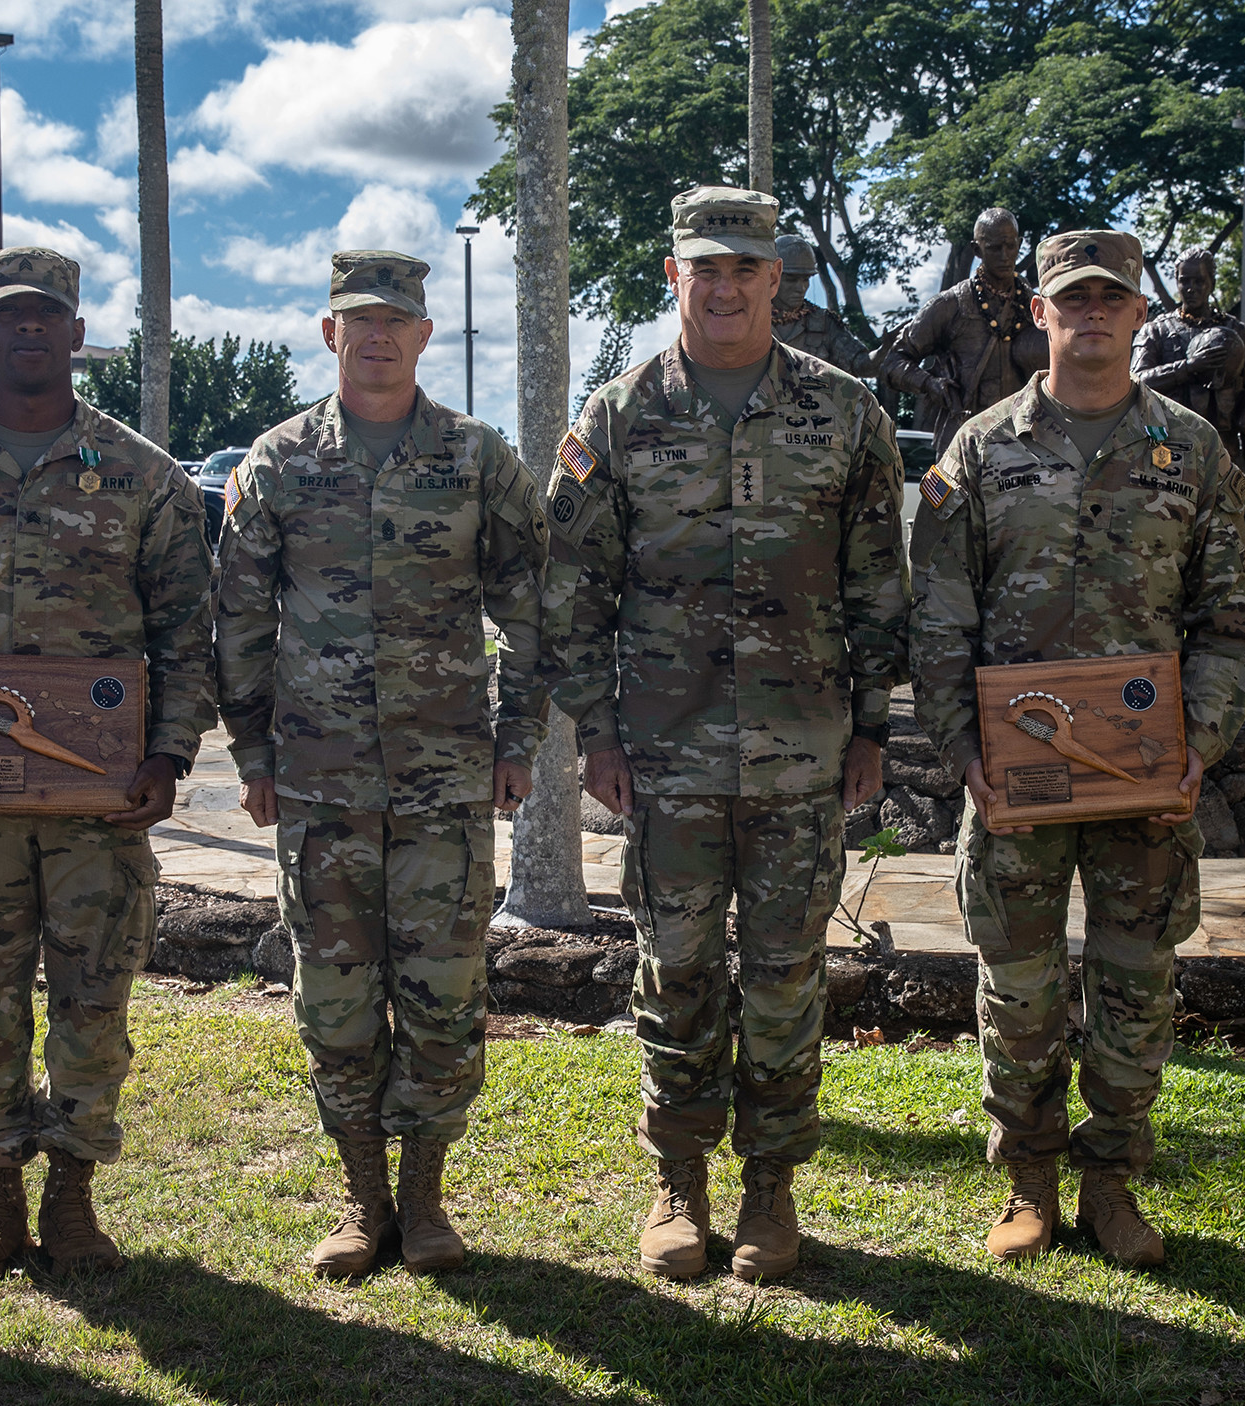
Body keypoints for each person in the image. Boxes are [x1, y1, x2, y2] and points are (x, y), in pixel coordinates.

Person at [544, 184, 907, 1282]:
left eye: (745, 267)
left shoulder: (844, 413)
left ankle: (770, 1187)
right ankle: (679, 1180)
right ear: (674, 275)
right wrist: (596, 734)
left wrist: (872, 728)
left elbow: (878, 584)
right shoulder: (616, 416)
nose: (725, 284)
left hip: (803, 751)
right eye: (705, 266)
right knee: (676, 969)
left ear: (775, 279)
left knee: (788, 974)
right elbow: (574, 593)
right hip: (665, 756)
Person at [0, 247, 215, 1282]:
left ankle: (71, 1199)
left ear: (75, 331)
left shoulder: (142, 474)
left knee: (93, 1000)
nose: (26, 330)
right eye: (7, 315)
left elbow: (185, 632)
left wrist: (167, 752)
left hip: (97, 805)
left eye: (45, 315)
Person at [909, 229, 1245, 1266]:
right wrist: (960, 746)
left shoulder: (1191, 448)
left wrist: (1202, 738)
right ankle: (1026, 1180)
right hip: (1014, 777)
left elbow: (1228, 619)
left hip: (1142, 777)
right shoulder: (977, 448)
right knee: (1017, 987)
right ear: (1040, 314)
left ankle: (1111, 1183)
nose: (1093, 313)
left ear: (1141, 313)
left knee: (1135, 986)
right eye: (1074, 299)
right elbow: (938, 616)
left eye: (1113, 297)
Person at [214, 250, 547, 1277]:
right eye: (357, 319)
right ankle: (362, 1200)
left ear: (422, 334)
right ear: (329, 333)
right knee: (336, 997)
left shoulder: (475, 458)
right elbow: (237, 617)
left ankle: (426, 1200)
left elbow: (527, 607)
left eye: (394, 320)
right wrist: (254, 748)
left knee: (444, 993)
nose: (375, 336)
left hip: (446, 777)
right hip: (322, 783)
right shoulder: (276, 462)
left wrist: (517, 737)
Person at [878, 208, 1051, 453]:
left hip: (1025, 446)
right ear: (976, 250)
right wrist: (930, 384)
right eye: (993, 248)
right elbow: (892, 363)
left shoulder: (1037, 308)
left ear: (1020, 244)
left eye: (1010, 246)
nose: (1004, 255)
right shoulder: (950, 305)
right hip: (963, 444)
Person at [1135, 248, 1245, 478]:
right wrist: (1189, 367)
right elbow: (1137, 383)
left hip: (1223, 453)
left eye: (1199, 281)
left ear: (1212, 282)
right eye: (1184, 281)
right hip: (1165, 451)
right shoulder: (1155, 331)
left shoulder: (1237, 334)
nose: (1191, 288)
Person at [771, 235, 875, 375]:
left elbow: (860, 364)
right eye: (791, 279)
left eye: (805, 280)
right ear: (772, 276)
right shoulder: (747, 317)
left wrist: (883, 354)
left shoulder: (824, 323)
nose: (801, 288)